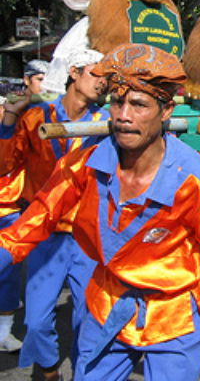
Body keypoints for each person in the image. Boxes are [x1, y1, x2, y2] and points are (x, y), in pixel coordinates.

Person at [0, 44, 200, 381]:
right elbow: (33, 221)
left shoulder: (193, 179)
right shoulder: (83, 165)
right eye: (118, 102)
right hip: (106, 305)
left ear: (165, 111)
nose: (123, 115)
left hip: (175, 318)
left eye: (138, 105)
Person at [0, 48, 108, 381]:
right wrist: (7, 119)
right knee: (36, 321)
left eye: (107, 77)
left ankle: (85, 374)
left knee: (89, 320)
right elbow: (5, 166)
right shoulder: (35, 117)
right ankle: (48, 370)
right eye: (96, 74)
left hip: (87, 235)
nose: (102, 83)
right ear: (74, 72)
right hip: (44, 235)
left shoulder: (105, 122)